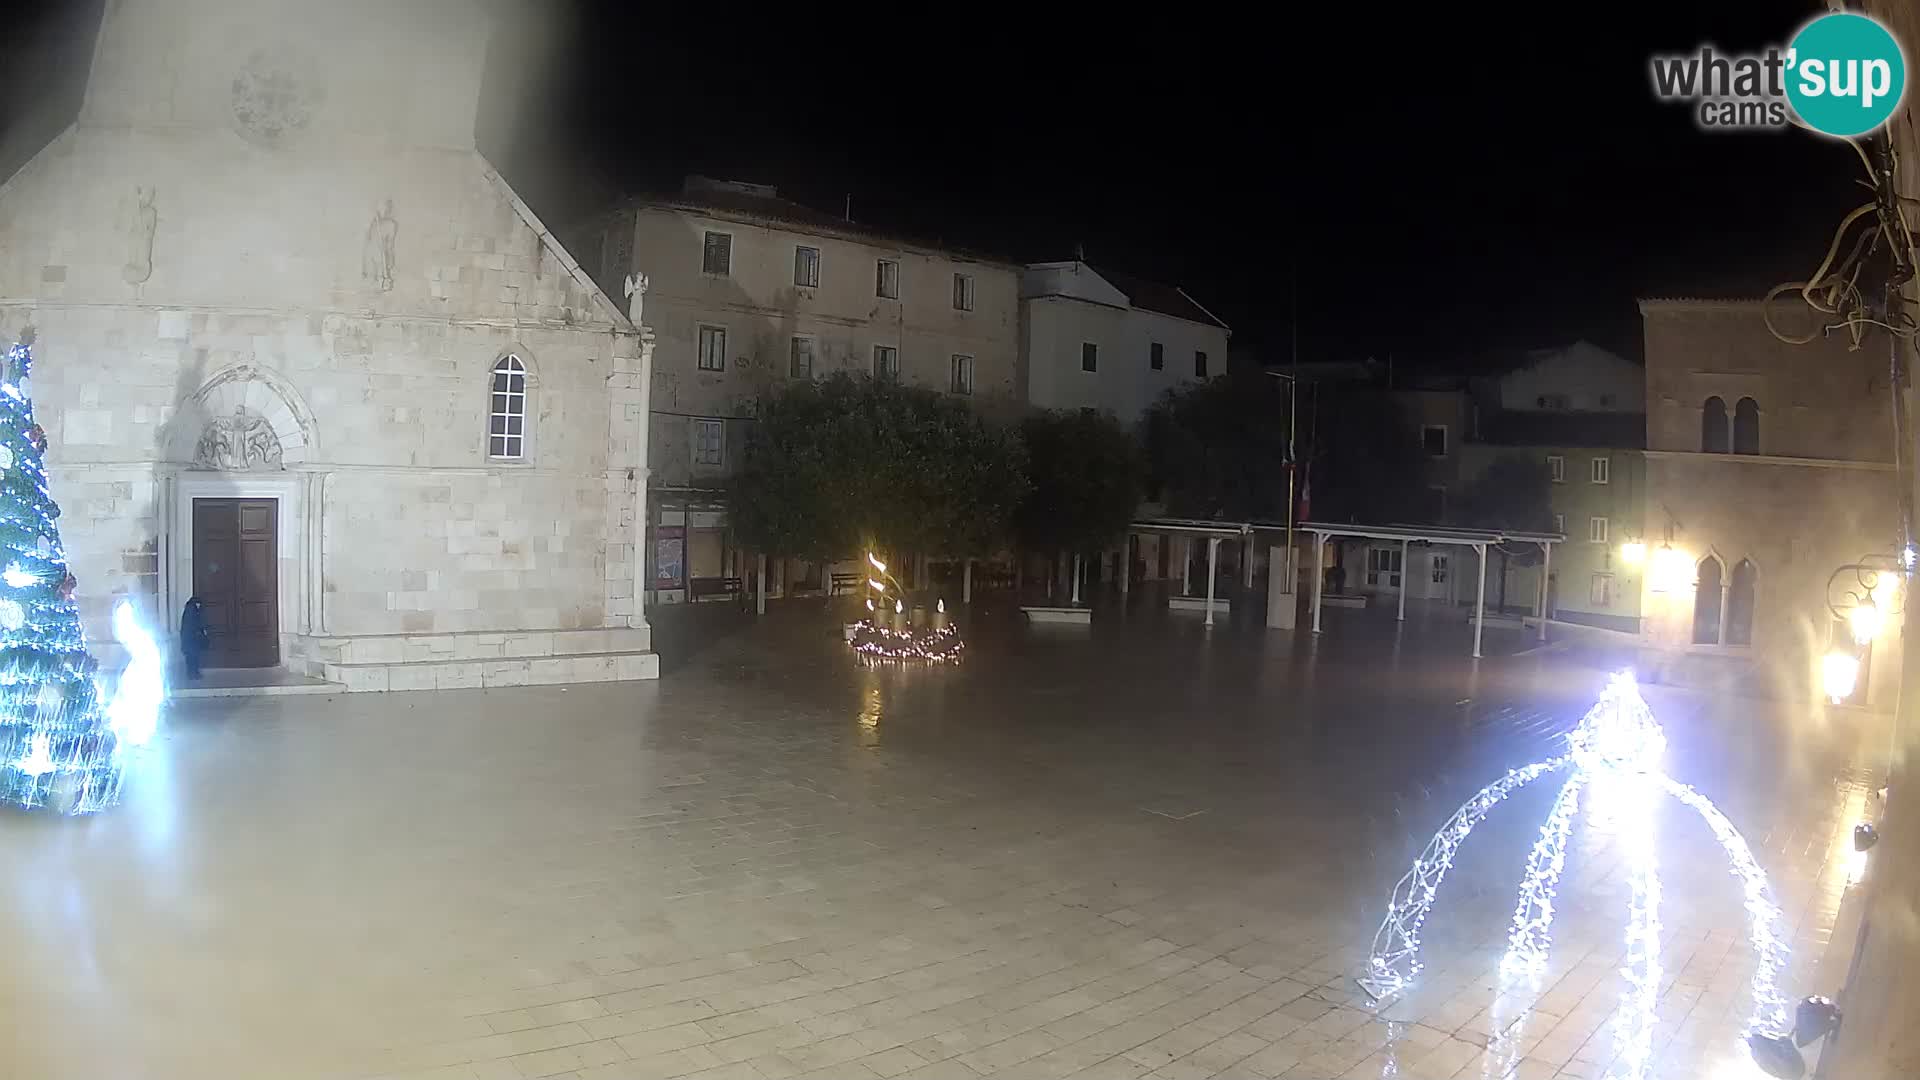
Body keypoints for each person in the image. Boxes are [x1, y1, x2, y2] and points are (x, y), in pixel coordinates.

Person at [179, 597, 209, 680]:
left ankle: (192, 673)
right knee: (193, 657)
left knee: (191, 657)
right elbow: (194, 624)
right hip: (191, 640)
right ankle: (193, 673)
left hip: (189, 639)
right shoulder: (192, 611)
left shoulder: (190, 610)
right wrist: (201, 631)